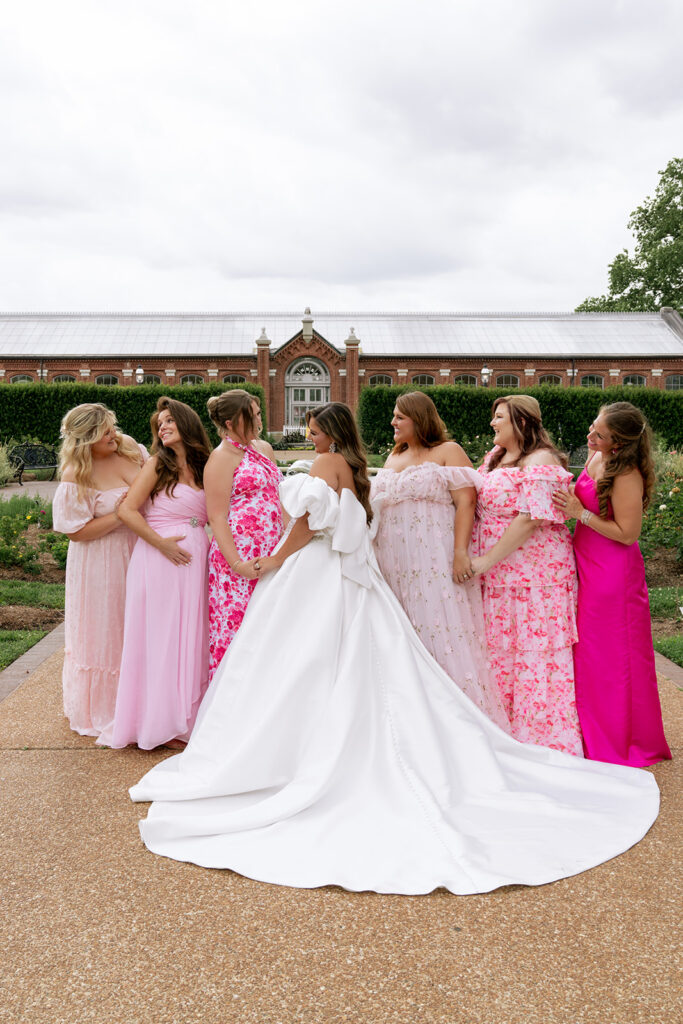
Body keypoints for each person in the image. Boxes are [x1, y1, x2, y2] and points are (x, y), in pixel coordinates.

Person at [130, 402, 658, 897]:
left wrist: (272, 560)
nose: (307, 435)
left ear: (327, 434)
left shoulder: (324, 467)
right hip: (352, 575)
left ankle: (292, 751)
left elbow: (308, 525)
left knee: (301, 663)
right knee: (345, 660)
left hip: (316, 572)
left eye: (312, 429)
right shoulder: (355, 467)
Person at [372, 392, 509, 730]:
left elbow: (466, 503)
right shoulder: (394, 455)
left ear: (418, 419)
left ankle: (455, 722)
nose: (393, 422)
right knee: (403, 633)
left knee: (438, 627)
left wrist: (460, 552)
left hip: (433, 557)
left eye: (399, 417)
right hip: (392, 563)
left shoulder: (448, 452)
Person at [552, 402, 671, 767]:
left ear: (617, 442)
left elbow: (628, 533)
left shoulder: (627, 474)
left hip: (612, 575)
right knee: (586, 652)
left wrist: (579, 514)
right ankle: (590, 731)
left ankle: (620, 738)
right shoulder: (594, 456)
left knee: (611, 656)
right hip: (585, 561)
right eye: (593, 426)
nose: (590, 436)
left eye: (599, 434)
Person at [468, 395, 583, 756]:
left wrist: (487, 560)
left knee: (535, 654)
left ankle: (541, 740)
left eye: (499, 417)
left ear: (521, 422)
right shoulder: (494, 457)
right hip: (501, 579)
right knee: (500, 652)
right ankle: (503, 732)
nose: (492, 423)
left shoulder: (542, 461)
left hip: (537, 578)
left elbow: (530, 518)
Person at [97, 398, 212, 750]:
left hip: (196, 561)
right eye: (158, 424)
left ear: (186, 424)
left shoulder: (207, 464)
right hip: (158, 560)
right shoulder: (156, 465)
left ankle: (185, 719)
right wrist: (161, 544)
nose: (161, 428)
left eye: (168, 421)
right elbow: (129, 511)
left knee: (191, 635)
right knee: (160, 637)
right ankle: (156, 721)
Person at [52, 404, 147, 737]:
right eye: (105, 431)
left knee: (140, 625)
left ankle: (146, 703)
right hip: (101, 562)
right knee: (108, 630)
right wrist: (121, 515)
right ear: (86, 438)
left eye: (112, 427)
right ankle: (109, 708)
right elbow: (76, 531)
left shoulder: (131, 448)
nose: (113, 434)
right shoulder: (75, 474)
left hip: (143, 551)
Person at [204, 390, 282, 681]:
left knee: (269, 627)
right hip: (236, 561)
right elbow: (217, 516)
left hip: (270, 552)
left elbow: (278, 495)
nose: (259, 419)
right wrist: (237, 564)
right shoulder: (221, 457)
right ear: (232, 421)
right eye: (253, 413)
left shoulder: (264, 449)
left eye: (259, 412)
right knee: (237, 631)